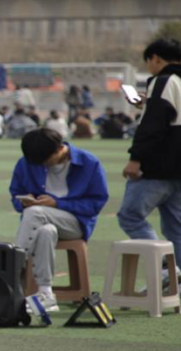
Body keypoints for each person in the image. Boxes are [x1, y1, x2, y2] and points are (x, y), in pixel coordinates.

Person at [117, 37, 181, 298]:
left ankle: (167, 271)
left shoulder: (163, 81)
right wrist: (146, 103)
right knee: (177, 225)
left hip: (161, 164)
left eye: (149, 61)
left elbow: (153, 125)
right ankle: (179, 284)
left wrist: (135, 158)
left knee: (130, 215)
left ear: (155, 58)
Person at [9, 128, 108, 315]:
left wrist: (57, 203)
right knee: (45, 231)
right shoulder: (27, 162)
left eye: (45, 161)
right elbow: (15, 195)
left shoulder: (89, 162)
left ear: (59, 149)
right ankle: (46, 294)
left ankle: (10, 273)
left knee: (35, 213)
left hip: (75, 223)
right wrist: (23, 201)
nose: (42, 165)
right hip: (39, 221)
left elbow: (95, 204)